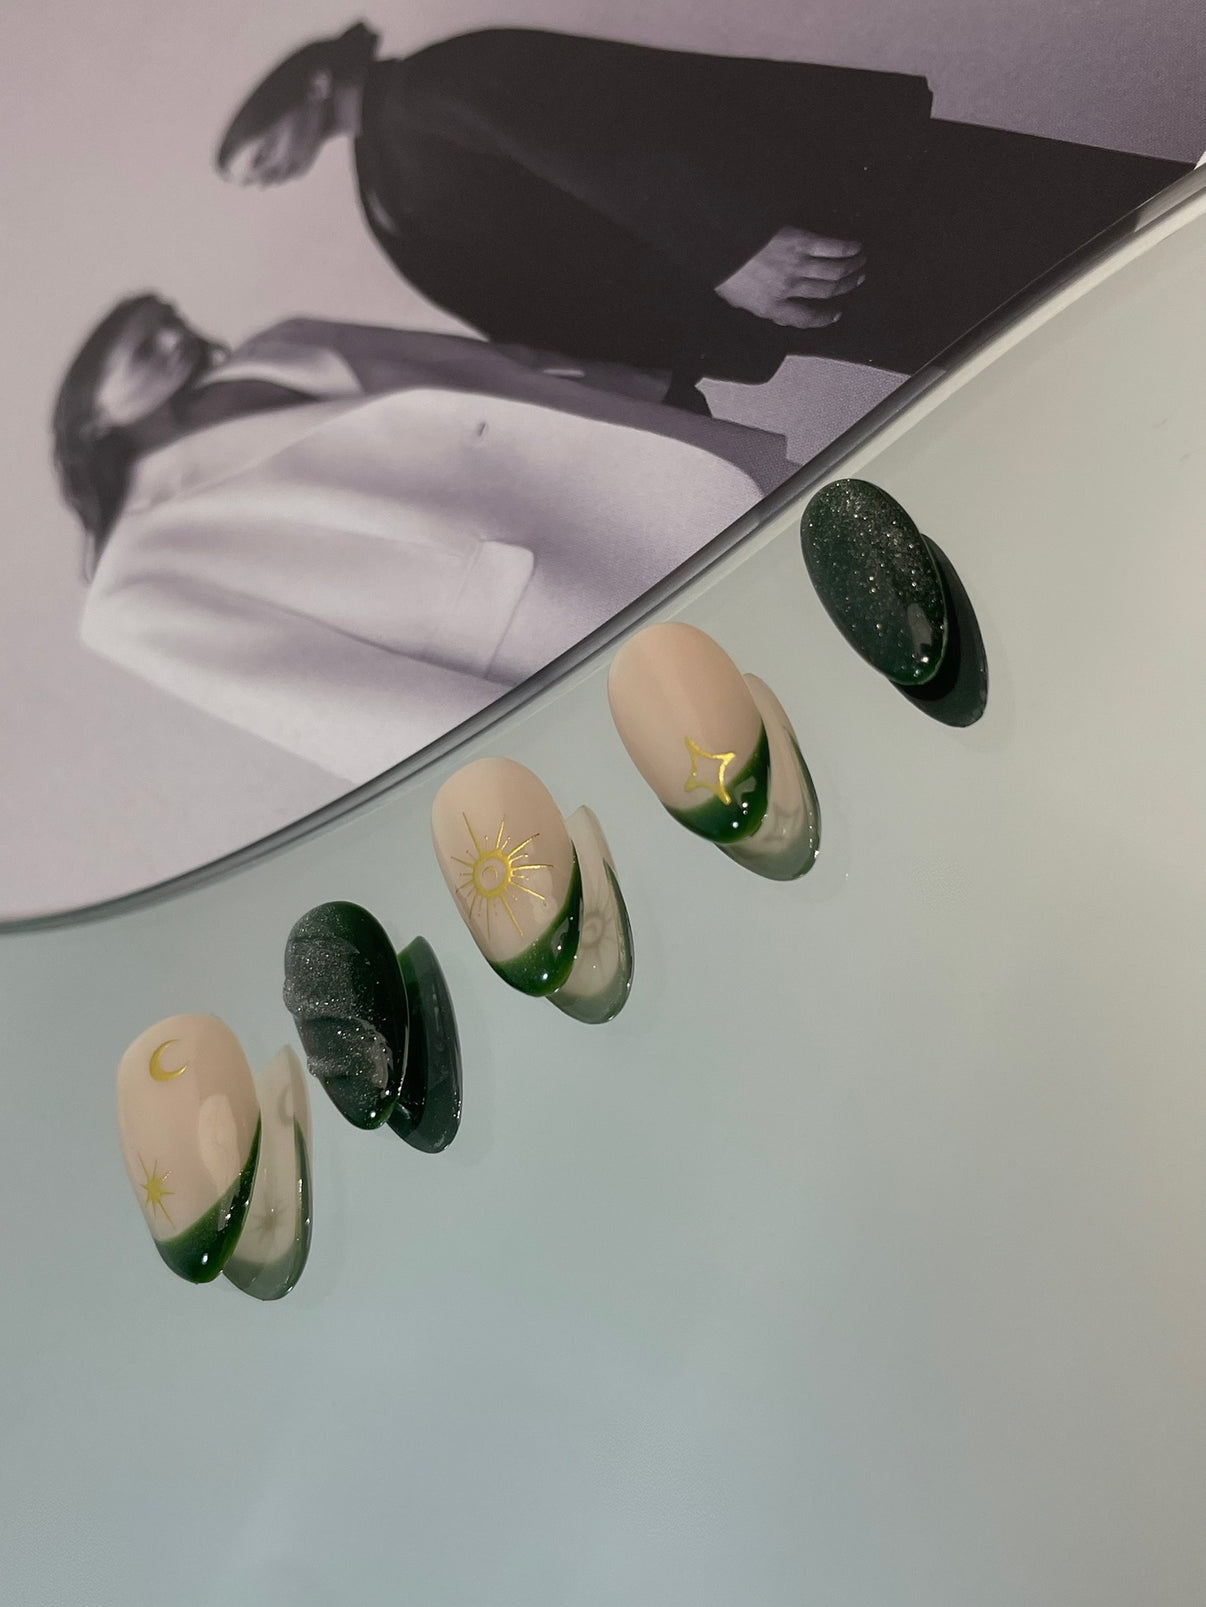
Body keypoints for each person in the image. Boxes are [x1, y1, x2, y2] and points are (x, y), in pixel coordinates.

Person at [215, 23, 1189, 400]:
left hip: (802, 227)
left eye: (256, 154)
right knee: (1040, 320)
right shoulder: (388, 166)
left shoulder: (433, 86)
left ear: (308, 87)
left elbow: (599, 147)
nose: (263, 177)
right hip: (786, 271)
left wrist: (736, 248)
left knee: (1080, 236)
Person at [52, 295, 794, 782]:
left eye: (171, 319)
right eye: (143, 348)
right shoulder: (133, 584)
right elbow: (335, 699)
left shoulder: (283, 343)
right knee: (769, 724)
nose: (175, 337)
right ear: (92, 419)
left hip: (636, 473)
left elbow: (470, 364)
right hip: (556, 622)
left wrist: (636, 391)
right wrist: (541, 765)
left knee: (814, 559)